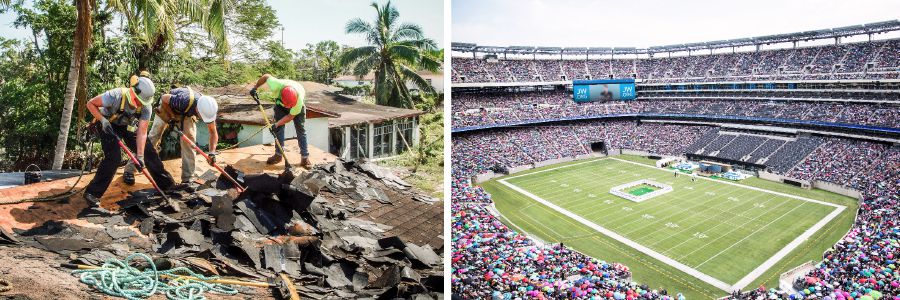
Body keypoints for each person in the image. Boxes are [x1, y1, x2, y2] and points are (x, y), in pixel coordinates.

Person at [82, 73, 176, 206]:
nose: (140, 104)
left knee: (148, 151)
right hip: (107, 124)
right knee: (114, 158)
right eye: (138, 100)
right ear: (132, 91)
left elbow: (142, 132)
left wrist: (140, 156)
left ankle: (167, 185)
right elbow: (90, 103)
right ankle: (92, 193)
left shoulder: (146, 107)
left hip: (127, 125)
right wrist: (102, 120)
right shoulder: (114, 96)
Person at [123, 86, 219, 187]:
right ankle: (129, 170)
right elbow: (164, 98)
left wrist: (212, 152)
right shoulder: (182, 100)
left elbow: (213, 132)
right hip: (166, 107)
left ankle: (188, 178)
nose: (202, 119)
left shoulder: (208, 109)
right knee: (152, 139)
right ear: (197, 110)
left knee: (190, 142)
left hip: (185, 114)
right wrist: (172, 117)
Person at [249, 74, 310, 168]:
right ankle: (278, 155)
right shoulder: (276, 85)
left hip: (296, 109)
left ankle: (305, 157)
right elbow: (266, 76)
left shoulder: (298, 102)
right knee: (279, 129)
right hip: (280, 105)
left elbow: (290, 116)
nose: (288, 108)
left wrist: (276, 124)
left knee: (300, 130)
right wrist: (255, 87)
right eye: (287, 106)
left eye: (289, 106)